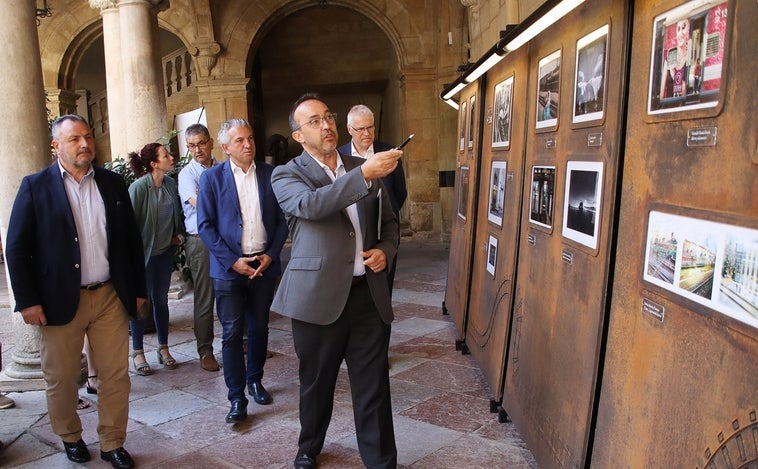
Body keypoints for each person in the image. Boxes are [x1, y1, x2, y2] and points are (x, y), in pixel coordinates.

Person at [5, 114, 146, 468]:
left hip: (109, 296)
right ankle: (70, 436)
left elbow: (130, 242)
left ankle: (113, 441)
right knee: (62, 378)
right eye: (74, 139)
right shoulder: (35, 187)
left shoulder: (112, 184)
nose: (84, 144)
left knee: (116, 375)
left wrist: (138, 290)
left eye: (88, 137)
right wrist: (28, 301)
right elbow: (16, 248)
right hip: (57, 301)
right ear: (56, 146)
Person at [271, 93, 401, 469]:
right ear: (298, 136)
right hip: (317, 299)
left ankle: (381, 462)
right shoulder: (287, 174)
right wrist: (363, 175)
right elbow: (312, 205)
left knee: (373, 386)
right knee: (316, 383)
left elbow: (389, 224)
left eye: (328, 117)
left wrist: (385, 252)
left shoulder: (364, 166)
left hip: (367, 296)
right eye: (314, 121)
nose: (326, 125)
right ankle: (309, 447)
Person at [197, 118, 288, 424]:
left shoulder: (270, 174)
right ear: (225, 147)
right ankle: (236, 396)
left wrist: (271, 256)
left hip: (263, 265)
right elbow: (205, 227)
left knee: (259, 327)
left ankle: (255, 380)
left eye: (250, 138)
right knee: (233, 332)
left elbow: (281, 222)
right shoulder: (211, 179)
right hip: (229, 269)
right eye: (240, 141)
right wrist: (231, 261)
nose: (248, 144)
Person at [127, 143, 185, 375]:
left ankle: (163, 348)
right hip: (144, 257)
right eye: (166, 155)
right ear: (154, 164)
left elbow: (177, 216)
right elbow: (128, 225)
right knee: (140, 303)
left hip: (164, 254)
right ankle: (138, 353)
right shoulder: (139, 188)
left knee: (161, 301)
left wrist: (178, 237)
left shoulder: (170, 184)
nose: (171, 157)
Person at [338, 104, 407, 292]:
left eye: (370, 127)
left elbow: (400, 192)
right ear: (349, 129)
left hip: (384, 232)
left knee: (384, 289)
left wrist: (385, 215)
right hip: (352, 233)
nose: (367, 133)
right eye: (360, 129)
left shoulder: (388, 152)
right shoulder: (338, 156)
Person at [178, 124, 220, 372]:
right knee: (205, 298)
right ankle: (205, 351)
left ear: (211, 142)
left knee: (234, 290)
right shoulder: (186, 175)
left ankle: (244, 341)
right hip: (200, 240)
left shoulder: (223, 168)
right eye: (191, 145)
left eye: (201, 143)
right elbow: (199, 203)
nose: (197, 149)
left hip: (225, 237)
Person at [660, 18, 690, 99]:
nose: (680, 34)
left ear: (689, 31)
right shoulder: (671, 54)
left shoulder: (691, 56)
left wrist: (674, 75)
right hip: (669, 106)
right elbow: (662, 92)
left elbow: (685, 91)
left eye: (683, 28)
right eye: (678, 29)